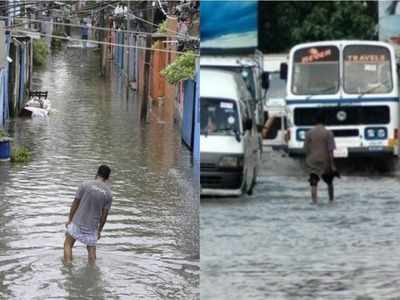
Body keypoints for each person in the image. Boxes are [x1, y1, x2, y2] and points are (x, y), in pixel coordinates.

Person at [64, 165, 113, 264]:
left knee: (68, 244)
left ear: (97, 173)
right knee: (91, 251)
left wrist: (70, 219)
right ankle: (93, 271)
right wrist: (99, 230)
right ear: (107, 178)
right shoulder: (108, 194)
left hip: (78, 222)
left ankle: (68, 266)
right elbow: (104, 216)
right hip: (92, 227)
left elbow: (75, 203)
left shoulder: (85, 185)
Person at [303, 112, 339, 204]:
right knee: (329, 182)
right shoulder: (328, 133)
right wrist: (333, 165)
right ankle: (331, 200)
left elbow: (305, 149)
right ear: (324, 121)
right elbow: (331, 151)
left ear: (315, 121)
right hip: (325, 161)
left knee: (313, 182)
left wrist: (307, 161)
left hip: (312, 161)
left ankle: (314, 201)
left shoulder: (309, 133)